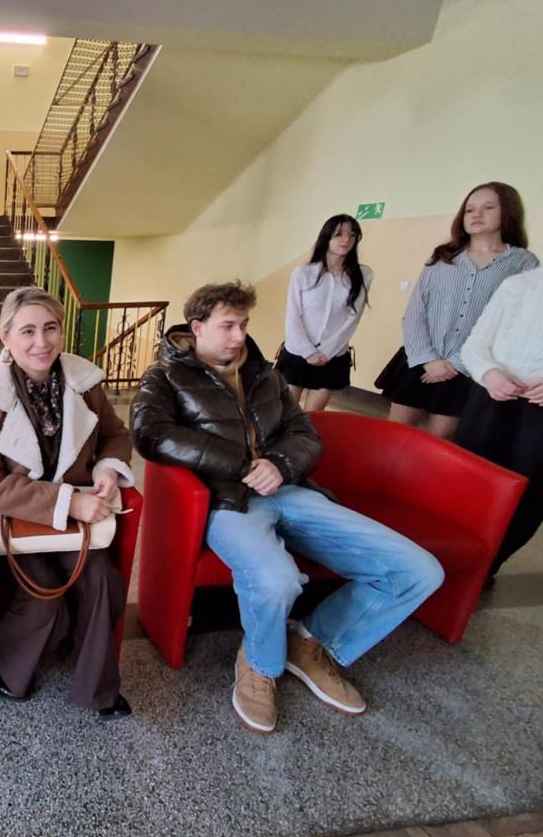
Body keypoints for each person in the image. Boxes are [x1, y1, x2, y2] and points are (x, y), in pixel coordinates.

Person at [131, 281, 443, 735]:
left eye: (243, 325)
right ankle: (260, 663)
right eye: (227, 325)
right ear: (197, 327)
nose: (239, 335)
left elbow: (305, 434)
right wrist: (241, 465)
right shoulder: (165, 377)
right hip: (229, 501)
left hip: (291, 490)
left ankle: (313, 642)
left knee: (419, 570)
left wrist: (279, 464)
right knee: (276, 580)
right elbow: (151, 434)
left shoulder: (265, 374)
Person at [0, 288, 135, 719]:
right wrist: (69, 503)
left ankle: (98, 689)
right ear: (6, 337)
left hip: (74, 517)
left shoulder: (84, 382)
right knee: (42, 594)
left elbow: (115, 434)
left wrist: (107, 469)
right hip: (18, 516)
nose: (41, 342)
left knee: (102, 580)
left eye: (50, 328)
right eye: (27, 331)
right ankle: (0, 657)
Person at [376, 182, 538, 439]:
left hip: (468, 368)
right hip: (420, 358)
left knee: (439, 444)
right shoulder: (443, 256)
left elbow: (511, 323)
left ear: (508, 211)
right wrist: (428, 359)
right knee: (394, 435)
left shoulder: (523, 263)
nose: (476, 214)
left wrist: (455, 363)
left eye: (488, 207)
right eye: (469, 209)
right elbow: (416, 311)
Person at [456, 263, 543, 577]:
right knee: (470, 480)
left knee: (531, 493)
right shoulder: (519, 284)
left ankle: (486, 566)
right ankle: (450, 554)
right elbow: (474, 345)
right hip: (492, 398)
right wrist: (489, 373)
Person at [275, 214, 372, 412]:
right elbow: (293, 316)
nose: (346, 240)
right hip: (298, 351)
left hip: (333, 355)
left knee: (313, 416)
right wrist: (308, 351)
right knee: (284, 412)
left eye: (352, 235)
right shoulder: (303, 273)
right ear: (326, 237)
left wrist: (327, 352)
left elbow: (353, 318)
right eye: (339, 234)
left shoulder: (363, 274)